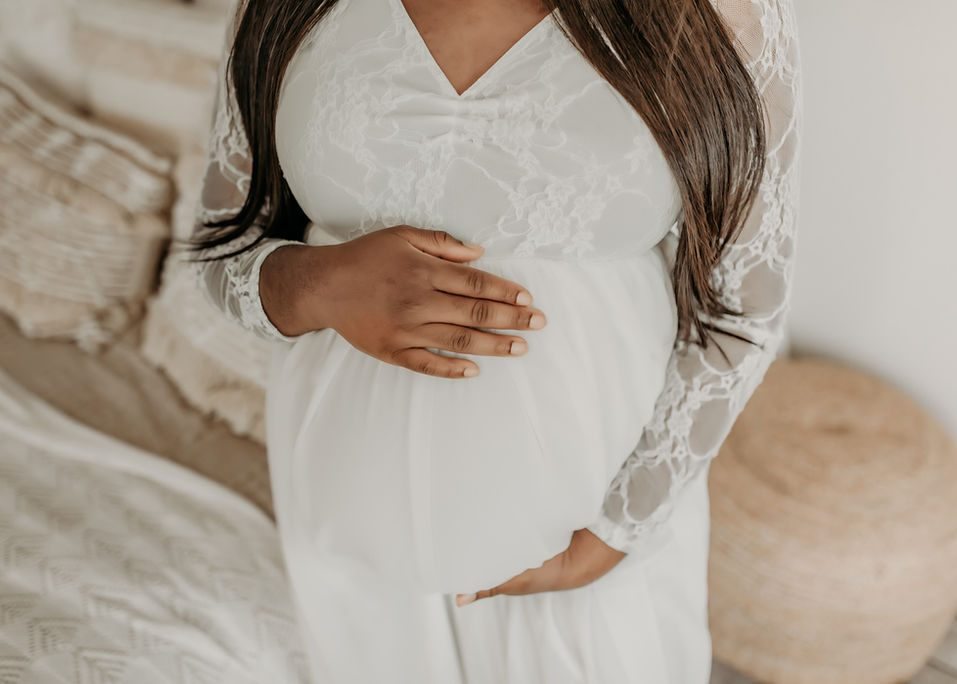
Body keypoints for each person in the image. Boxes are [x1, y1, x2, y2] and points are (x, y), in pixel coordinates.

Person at [182, 0, 802, 681]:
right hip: (350, 519)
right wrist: (318, 284)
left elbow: (741, 311)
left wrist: (615, 534)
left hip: (582, 531)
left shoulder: (723, 14)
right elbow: (222, 246)